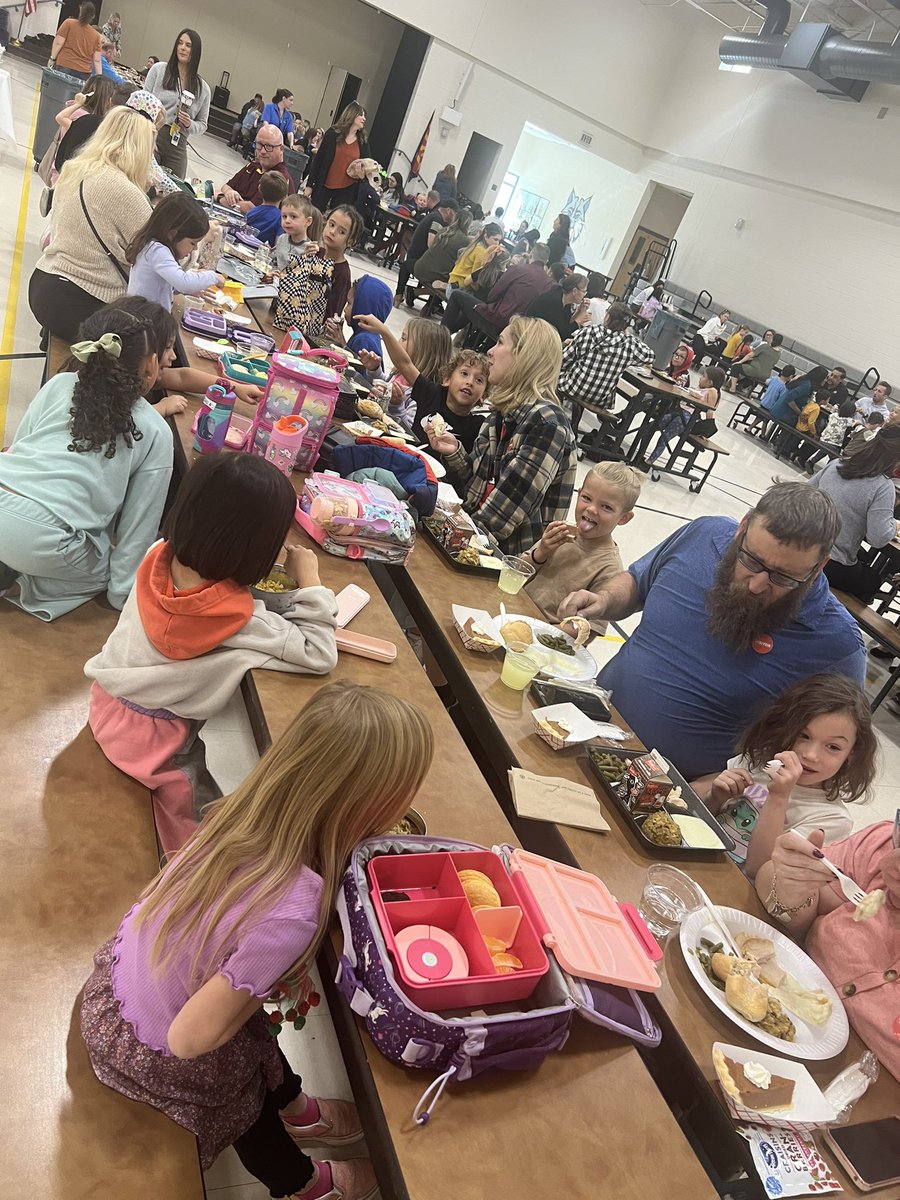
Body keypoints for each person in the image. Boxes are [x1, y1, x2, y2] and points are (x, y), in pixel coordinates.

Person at [80, 681, 433, 1200]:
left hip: (120, 990)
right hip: (154, 1047)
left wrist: (248, 1000)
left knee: (253, 1035)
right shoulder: (292, 911)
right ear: (369, 807)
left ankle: (297, 1108)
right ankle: (303, 1184)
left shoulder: (239, 814)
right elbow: (190, 1040)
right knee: (243, 1096)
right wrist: (252, 998)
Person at [84, 453, 338, 855]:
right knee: (201, 830)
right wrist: (311, 582)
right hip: (158, 746)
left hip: (107, 703)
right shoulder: (239, 621)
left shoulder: (158, 555)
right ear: (257, 548)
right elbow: (319, 652)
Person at [559, 483, 866, 778]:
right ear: (742, 527)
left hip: (664, 786)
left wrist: (727, 785)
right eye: (752, 560)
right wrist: (603, 599)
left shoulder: (837, 645)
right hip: (584, 722)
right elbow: (639, 582)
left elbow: (828, 755)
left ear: (818, 567)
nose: (757, 584)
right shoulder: (704, 534)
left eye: (784, 577)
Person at [0, 304, 172, 620]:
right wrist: (121, 593)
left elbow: (19, 449)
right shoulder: (157, 432)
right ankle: (20, 578)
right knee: (104, 566)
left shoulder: (59, 384)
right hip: (43, 534)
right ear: (151, 365)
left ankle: (10, 560)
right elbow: (139, 527)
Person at [754, 821, 900, 1082]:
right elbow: (783, 894)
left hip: (862, 1092)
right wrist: (791, 889)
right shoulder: (881, 843)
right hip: (768, 1009)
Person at [693, 675, 875, 876]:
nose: (811, 755)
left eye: (833, 747)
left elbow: (759, 870)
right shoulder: (760, 761)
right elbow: (698, 821)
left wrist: (779, 796)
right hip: (697, 860)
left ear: (851, 754)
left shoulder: (832, 820)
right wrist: (715, 797)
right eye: (803, 735)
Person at [427, 316, 576, 554]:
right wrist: (455, 452)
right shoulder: (500, 415)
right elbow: (474, 490)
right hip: (476, 538)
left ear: (523, 355)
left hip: (507, 559)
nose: (490, 351)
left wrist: (440, 528)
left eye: (500, 342)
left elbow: (498, 518)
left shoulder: (547, 424)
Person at [29, 106, 155, 342]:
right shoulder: (125, 191)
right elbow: (159, 252)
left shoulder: (74, 168)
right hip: (85, 299)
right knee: (153, 340)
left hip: (45, 281)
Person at [523, 461, 644, 636]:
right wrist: (542, 551)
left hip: (542, 638)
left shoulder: (609, 569)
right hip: (513, 610)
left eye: (606, 507)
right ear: (578, 494)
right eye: (586, 498)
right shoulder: (560, 533)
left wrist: (534, 632)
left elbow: (587, 630)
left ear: (623, 518)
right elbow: (517, 570)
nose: (592, 509)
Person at [358, 315, 488, 452]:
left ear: (484, 396)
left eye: (479, 380)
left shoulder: (478, 426)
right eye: (464, 374)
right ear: (446, 379)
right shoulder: (432, 394)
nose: (470, 382)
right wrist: (384, 331)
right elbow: (404, 364)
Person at [807, 427, 900, 602]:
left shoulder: (837, 464)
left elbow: (803, 492)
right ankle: (828, 606)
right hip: (828, 562)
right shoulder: (883, 486)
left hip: (802, 544)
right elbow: (878, 539)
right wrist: (894, 525)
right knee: (872, 580)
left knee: (861, 556)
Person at [556, 301, 653, 437]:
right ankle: (574, 428)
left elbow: (564, 359)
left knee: (557, 375)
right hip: (600, 398)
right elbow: (650, 356)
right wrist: (627, 335)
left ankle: (556, 420)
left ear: (607, 316)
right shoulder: (629, 344)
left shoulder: (590, 331)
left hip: (574, 387)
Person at [126, 192, 221, 311]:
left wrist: (191, 289)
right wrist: (214, 276)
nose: (195, 248)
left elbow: (164, 285)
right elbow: (184, 283)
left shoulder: (153, 247)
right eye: (193, 243)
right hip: (143, 318)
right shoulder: (157, 251)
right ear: (173, 234)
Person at [442, 243, 553, 340]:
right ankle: (453, 337)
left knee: (458, 296)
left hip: (497, 318)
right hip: (517, 328)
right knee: (475, 307)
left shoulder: (518, 269)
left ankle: (441, 336)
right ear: (547, 261)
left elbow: (492, 296)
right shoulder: (549, 283)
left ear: (531, 255)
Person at [145, 29, 211, 178]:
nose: (182, 48)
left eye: (188, 45)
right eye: (180, 43)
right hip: (153, 135)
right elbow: (143, 102)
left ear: (196, 52)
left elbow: (202, 125)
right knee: (145, 178)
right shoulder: (158, 70)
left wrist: (189, 124)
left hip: (179, 142)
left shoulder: (203, 89)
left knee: (177, 184)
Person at [363, 319, 451, 425]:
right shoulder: (399, 374)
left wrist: (397, 405)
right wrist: (374, 370)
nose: (398, 342)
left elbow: (408, 427)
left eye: (404, 338)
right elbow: (386, 387)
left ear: (422, 350)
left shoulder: (421, 394)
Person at [46, 73, 118, 187]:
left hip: (66, 170)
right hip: (66, 174)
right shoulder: (82, 117)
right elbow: (60, 118)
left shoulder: (78, 111)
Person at [646, 365, 724, 465]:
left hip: (687, 417)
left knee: (665, 437)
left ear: (710, 382)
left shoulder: (712, 391)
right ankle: (640, 453)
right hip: (678, 411)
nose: (700, 377)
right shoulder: (700, 388)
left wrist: (706, 431)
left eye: (703, 376)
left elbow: (710, 410)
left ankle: (650, 461)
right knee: (651, 426)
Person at [306, 102, 368, 214]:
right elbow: (318, 160)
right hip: (324, 184)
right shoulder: (332, 134)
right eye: (361, 115)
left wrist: (362, 176)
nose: (364, 118)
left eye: (364, 116)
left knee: (338, 219)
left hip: (347, 190)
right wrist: (309, 185)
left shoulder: (363, 142)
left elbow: (367, 167)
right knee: (314, 216)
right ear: (351, 115)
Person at [393, 195, 456, 305]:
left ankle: (399, 295)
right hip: (420, 259)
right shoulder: (438, 220)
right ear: (449, 211)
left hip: (414, 254)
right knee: (444, 276)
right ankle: (428, 306)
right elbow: (431, 244)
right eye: (455, 214)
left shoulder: (433, 215)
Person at [216, 124, 292, 211]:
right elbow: (226, 186)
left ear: (281, 149)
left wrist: (220, 198)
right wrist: (229, 192)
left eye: (268, 146)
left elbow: (251, 208)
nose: (262, 151)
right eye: (259, 145)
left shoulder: (279, 178)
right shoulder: (252, 166)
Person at [324, 276, 393, 366]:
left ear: (362, 307)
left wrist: (342, 347)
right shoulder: (366, 335)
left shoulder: (364, 340)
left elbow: (357, 372)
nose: (345, 309)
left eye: (349, 303)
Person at [406, 209, 472, 294]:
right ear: (468, 224)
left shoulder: (443, 230)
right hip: (437, 276)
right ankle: (417, 294)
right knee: (453, 285)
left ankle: (410, 294)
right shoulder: (466, 242)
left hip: (420, 267)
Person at [525, 272, 588, 341]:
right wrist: (578, 321)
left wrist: (579, 312)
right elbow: (559, 334)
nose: (584, 295)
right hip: (530, 334)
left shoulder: (565, 300)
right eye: (584, 292)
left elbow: (566, 325)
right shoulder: (554, 301)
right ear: (574, 291)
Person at [47, 2, 101, 78]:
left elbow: (58, 43)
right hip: (84, 71)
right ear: (93, 16)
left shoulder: (68, 23)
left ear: (80, 11)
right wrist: (99, 77)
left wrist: (52, 59)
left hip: (65, 64)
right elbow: (97, 60)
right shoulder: (96, 36)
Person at [446, 222, 504, 291]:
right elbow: (476, 278)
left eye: (499, 241)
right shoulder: (481, 252)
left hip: (453, 283)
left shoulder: (477, 244)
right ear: (485, 236)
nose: (497, 243)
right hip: (458, 288)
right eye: (495, 239)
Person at [274, 194, 323, 272]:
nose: (287, 221)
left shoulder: (310, 249)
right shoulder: (282, 238)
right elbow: (275, 261)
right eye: (284, 216)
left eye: (293, 216)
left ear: (308, 221)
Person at [245, 170, 289, 245]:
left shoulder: (252, 212)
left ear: (259, 188)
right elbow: (278, 244)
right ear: (284, 196)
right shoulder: (280, 218)